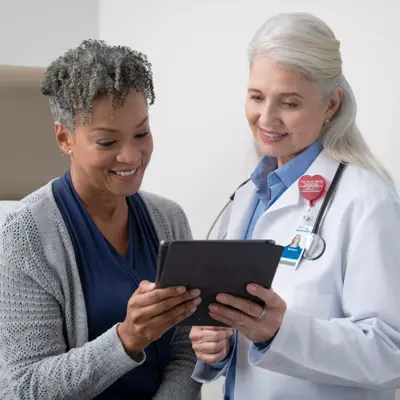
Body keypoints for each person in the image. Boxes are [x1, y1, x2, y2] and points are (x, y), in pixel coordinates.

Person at [189, 12, 400, 400]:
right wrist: (220, 346)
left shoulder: (368, 202)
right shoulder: (248, 196)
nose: (266, 118)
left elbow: (391, 352)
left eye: (289, 103)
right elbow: (247, 335)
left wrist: (278, 332)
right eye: (256, 97)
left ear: (331, 103)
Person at [0, 39, 202, 399]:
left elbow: (186, 354)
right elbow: (24, 388)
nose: (131, 156)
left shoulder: (169, 220)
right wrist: (127, 339)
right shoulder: (24, 236)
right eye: (107, 142)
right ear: (65, 138)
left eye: (141, 134)